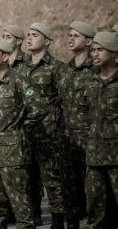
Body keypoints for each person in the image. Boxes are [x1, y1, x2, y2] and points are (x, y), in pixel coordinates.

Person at [0, 37, 47, 229]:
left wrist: (19, 130)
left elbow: (39, 108)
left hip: (13, 155)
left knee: (21, 205)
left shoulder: (18, 80)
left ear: (5, 56)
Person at [23, 23, 66, 227]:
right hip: (26, 133)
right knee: (28, 179)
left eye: (35, 35)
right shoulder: (21, 67)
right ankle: (34, 213)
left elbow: (65, 102)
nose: (29, 38)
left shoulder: (56, 67)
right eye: (28, 35)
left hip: (49, 133)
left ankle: (58, 217)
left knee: (53, 179)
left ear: (47, 41)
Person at [58, 22, 96, 229]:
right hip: (67, 140)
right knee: (69, 189)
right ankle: (71, 224)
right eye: (69, 35)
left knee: (93, 191)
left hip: (89, 141)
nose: (70, 39)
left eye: (76, 36)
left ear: (89, 41)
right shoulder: (65, 70)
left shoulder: (97, 70)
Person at [80, 32, 118, 229]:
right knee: (95, 207)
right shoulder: (89, 83)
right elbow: (85, 116)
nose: (94, 54)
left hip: (116, 156)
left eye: (100, 50)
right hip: (94, 156)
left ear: (114, 53)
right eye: (93, 50)